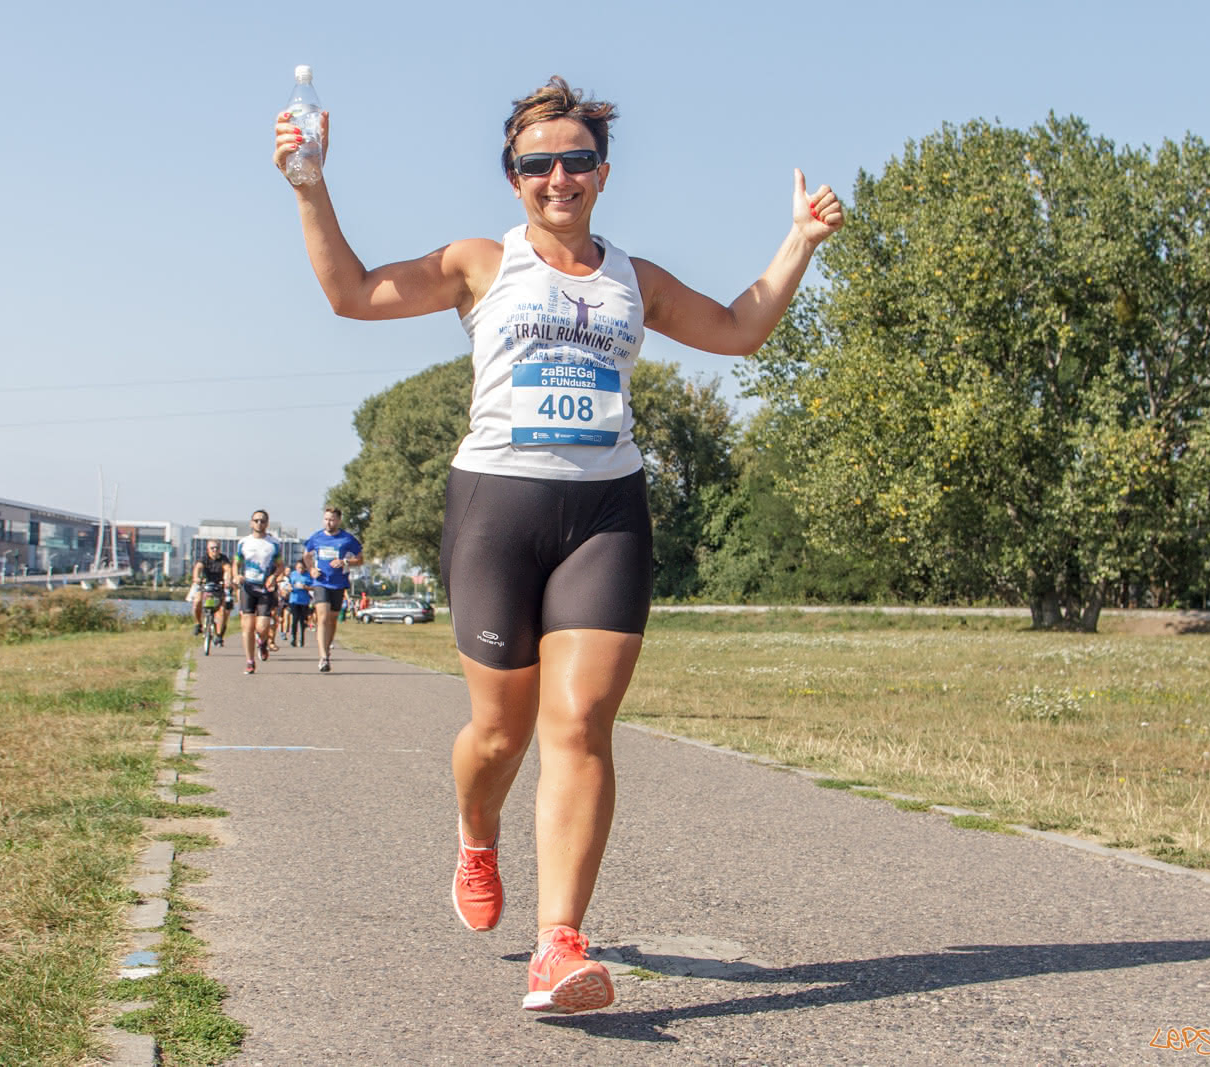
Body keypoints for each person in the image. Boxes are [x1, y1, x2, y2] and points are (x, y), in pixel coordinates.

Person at [275, 74, 843, 1014]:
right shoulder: (477, 264)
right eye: (538, 164)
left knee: (578, 725)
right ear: (514, 179)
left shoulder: (634, 279)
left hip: (606, 512)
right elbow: (352, 292)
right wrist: (309, 187)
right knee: (500, 732)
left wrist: (800, 242)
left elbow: (740, 330)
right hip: (498, 508)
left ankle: (558, 944)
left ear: (603, 173)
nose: (559, 177)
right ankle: (474, 828)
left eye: (577, 160)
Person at [301, 506, 363, 673]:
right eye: (326, 519)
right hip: (321, 582)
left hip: (338, 583)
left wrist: (345, 562)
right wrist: (311, 570)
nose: (328, 522)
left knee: (332, 619)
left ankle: (326, 649)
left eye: (332, 519)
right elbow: (306, 555)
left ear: (339, 520)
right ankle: (323, 657)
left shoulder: (347, 539)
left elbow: (360, 558)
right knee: (322, 617)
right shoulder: (317, 537)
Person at [234, 510, 284, 674]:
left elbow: (280, 566)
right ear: (251, 523)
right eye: (256, 521)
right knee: (247, 627)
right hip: (248, 587)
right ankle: (250, 661)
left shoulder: (274, 544)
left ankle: (262, 643)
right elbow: (237, 563)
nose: (259, 524)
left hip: (265, 589)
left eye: (262, 521)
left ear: (267, 523)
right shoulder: (243, 543)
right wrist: (236, 575)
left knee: (262, 627)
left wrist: (274, 577)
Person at [191, 539, 233, 644]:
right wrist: (196, 578)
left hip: (219, 586)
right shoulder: (204, 559)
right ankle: (198, 624)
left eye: (217, 548)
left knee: (222, 610)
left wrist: (227, 579)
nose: (214, 550)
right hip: (205, 585)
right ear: (208, 549)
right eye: (212, 548)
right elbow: (198, 568)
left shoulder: (223, 559)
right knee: (197, 603)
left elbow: (227, 569)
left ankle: (218, 635)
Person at [285, 559, 313, 647]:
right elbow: (288, 584)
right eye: (298, 568)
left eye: (301, 568)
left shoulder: (308, 575)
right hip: (294, 600)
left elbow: (313, 587)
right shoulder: (293, 574)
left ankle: (302, 638)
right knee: (295, 619)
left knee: (302, 620)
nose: (300, 569)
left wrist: (305, 587)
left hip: (304, 601)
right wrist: (289, 588)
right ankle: (293, 638)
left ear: (304, 568)